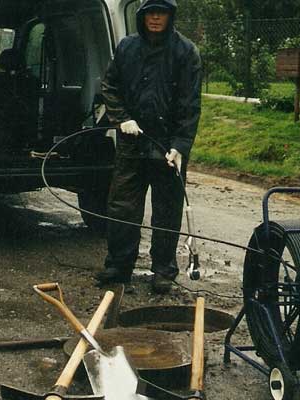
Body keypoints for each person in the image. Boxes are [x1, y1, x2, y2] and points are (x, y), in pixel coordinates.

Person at [95, 0, 202, 294]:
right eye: (151, 12)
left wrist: (180, 145)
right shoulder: (126, 47)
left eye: (162, 13)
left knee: (167, 209)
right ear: (142, 15)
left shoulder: (186, 52)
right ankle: (119, 266)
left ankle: (163, 270)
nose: (155, 18)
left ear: (170, 16)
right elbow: (110, 86)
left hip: (168, 146)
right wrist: (122, 118)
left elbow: (190, 104)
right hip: (132, 143)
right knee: (122, 207)